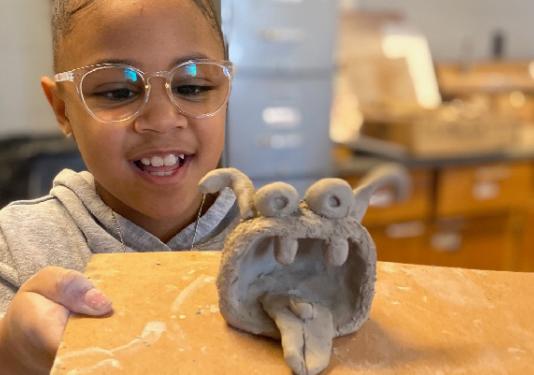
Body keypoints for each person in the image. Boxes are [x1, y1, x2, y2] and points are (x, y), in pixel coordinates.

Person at [0, 0, 238, 373]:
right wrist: (14, 352)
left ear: (226, 88)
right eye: (117, 92)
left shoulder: (288, 243)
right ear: (63, 109)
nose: (161, 120)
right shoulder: (16, 246)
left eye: (192, 86)